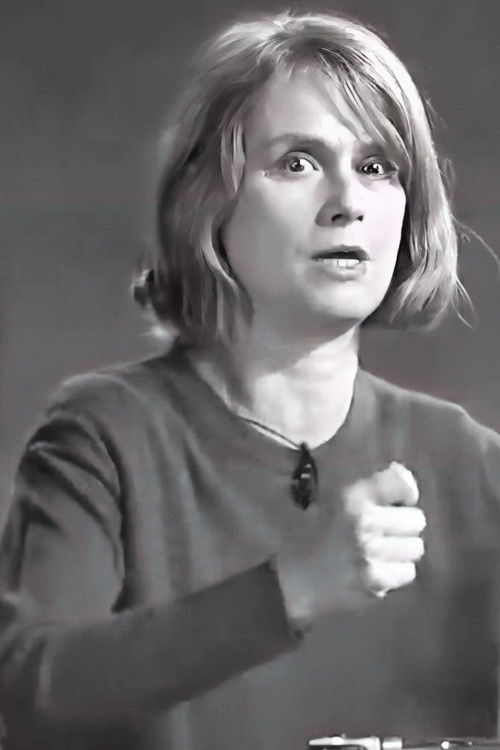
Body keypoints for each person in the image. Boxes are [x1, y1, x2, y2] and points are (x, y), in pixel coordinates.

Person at [1, 9, 499, 750]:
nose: (347, 202)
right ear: (210, 201)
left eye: (376, 167)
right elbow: (30, 690)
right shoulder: (106, 436)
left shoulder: (471, 464)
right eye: (297, 162)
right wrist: (292, 588)